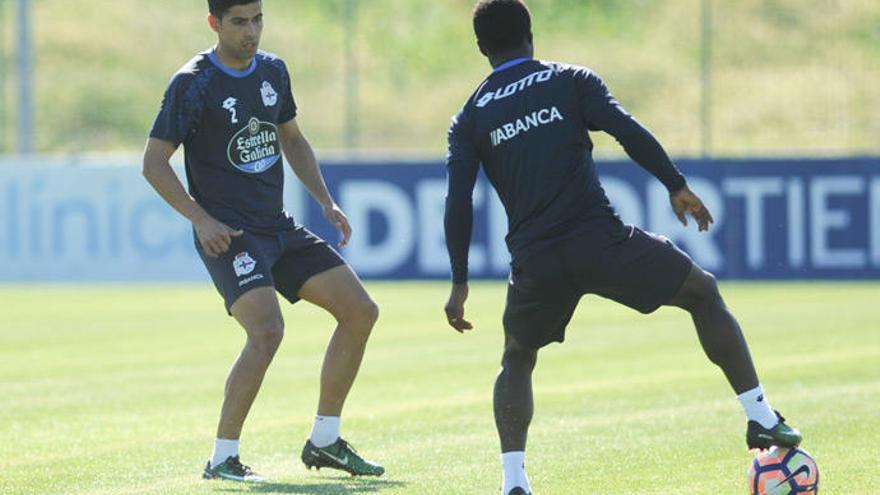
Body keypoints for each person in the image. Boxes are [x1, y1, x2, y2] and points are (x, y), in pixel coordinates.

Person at [442, 1, 801, 494]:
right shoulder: (568, 79)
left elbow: (458, 200)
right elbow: (625, 129)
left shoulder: (470, 117)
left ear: (481, 48)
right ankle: (759, 416)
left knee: (518, 358)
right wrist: (675, 184)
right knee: (702, 293)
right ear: (530, 33)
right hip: (600, 242)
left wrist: (459, 281)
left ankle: (513, 483)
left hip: (537, 260)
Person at [142, 0, 383, 481]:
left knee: (361, 311)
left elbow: (291, 138)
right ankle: (222, 458)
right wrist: (200, 219)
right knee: (268, 332)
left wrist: (325, 200)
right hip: (229, 234)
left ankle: (325, 440)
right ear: (214, 23)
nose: (250, 32)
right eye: (238, 22)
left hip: (278, 226)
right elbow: (153, 163)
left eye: (257, 20)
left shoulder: (273, 70)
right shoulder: (193, 83)